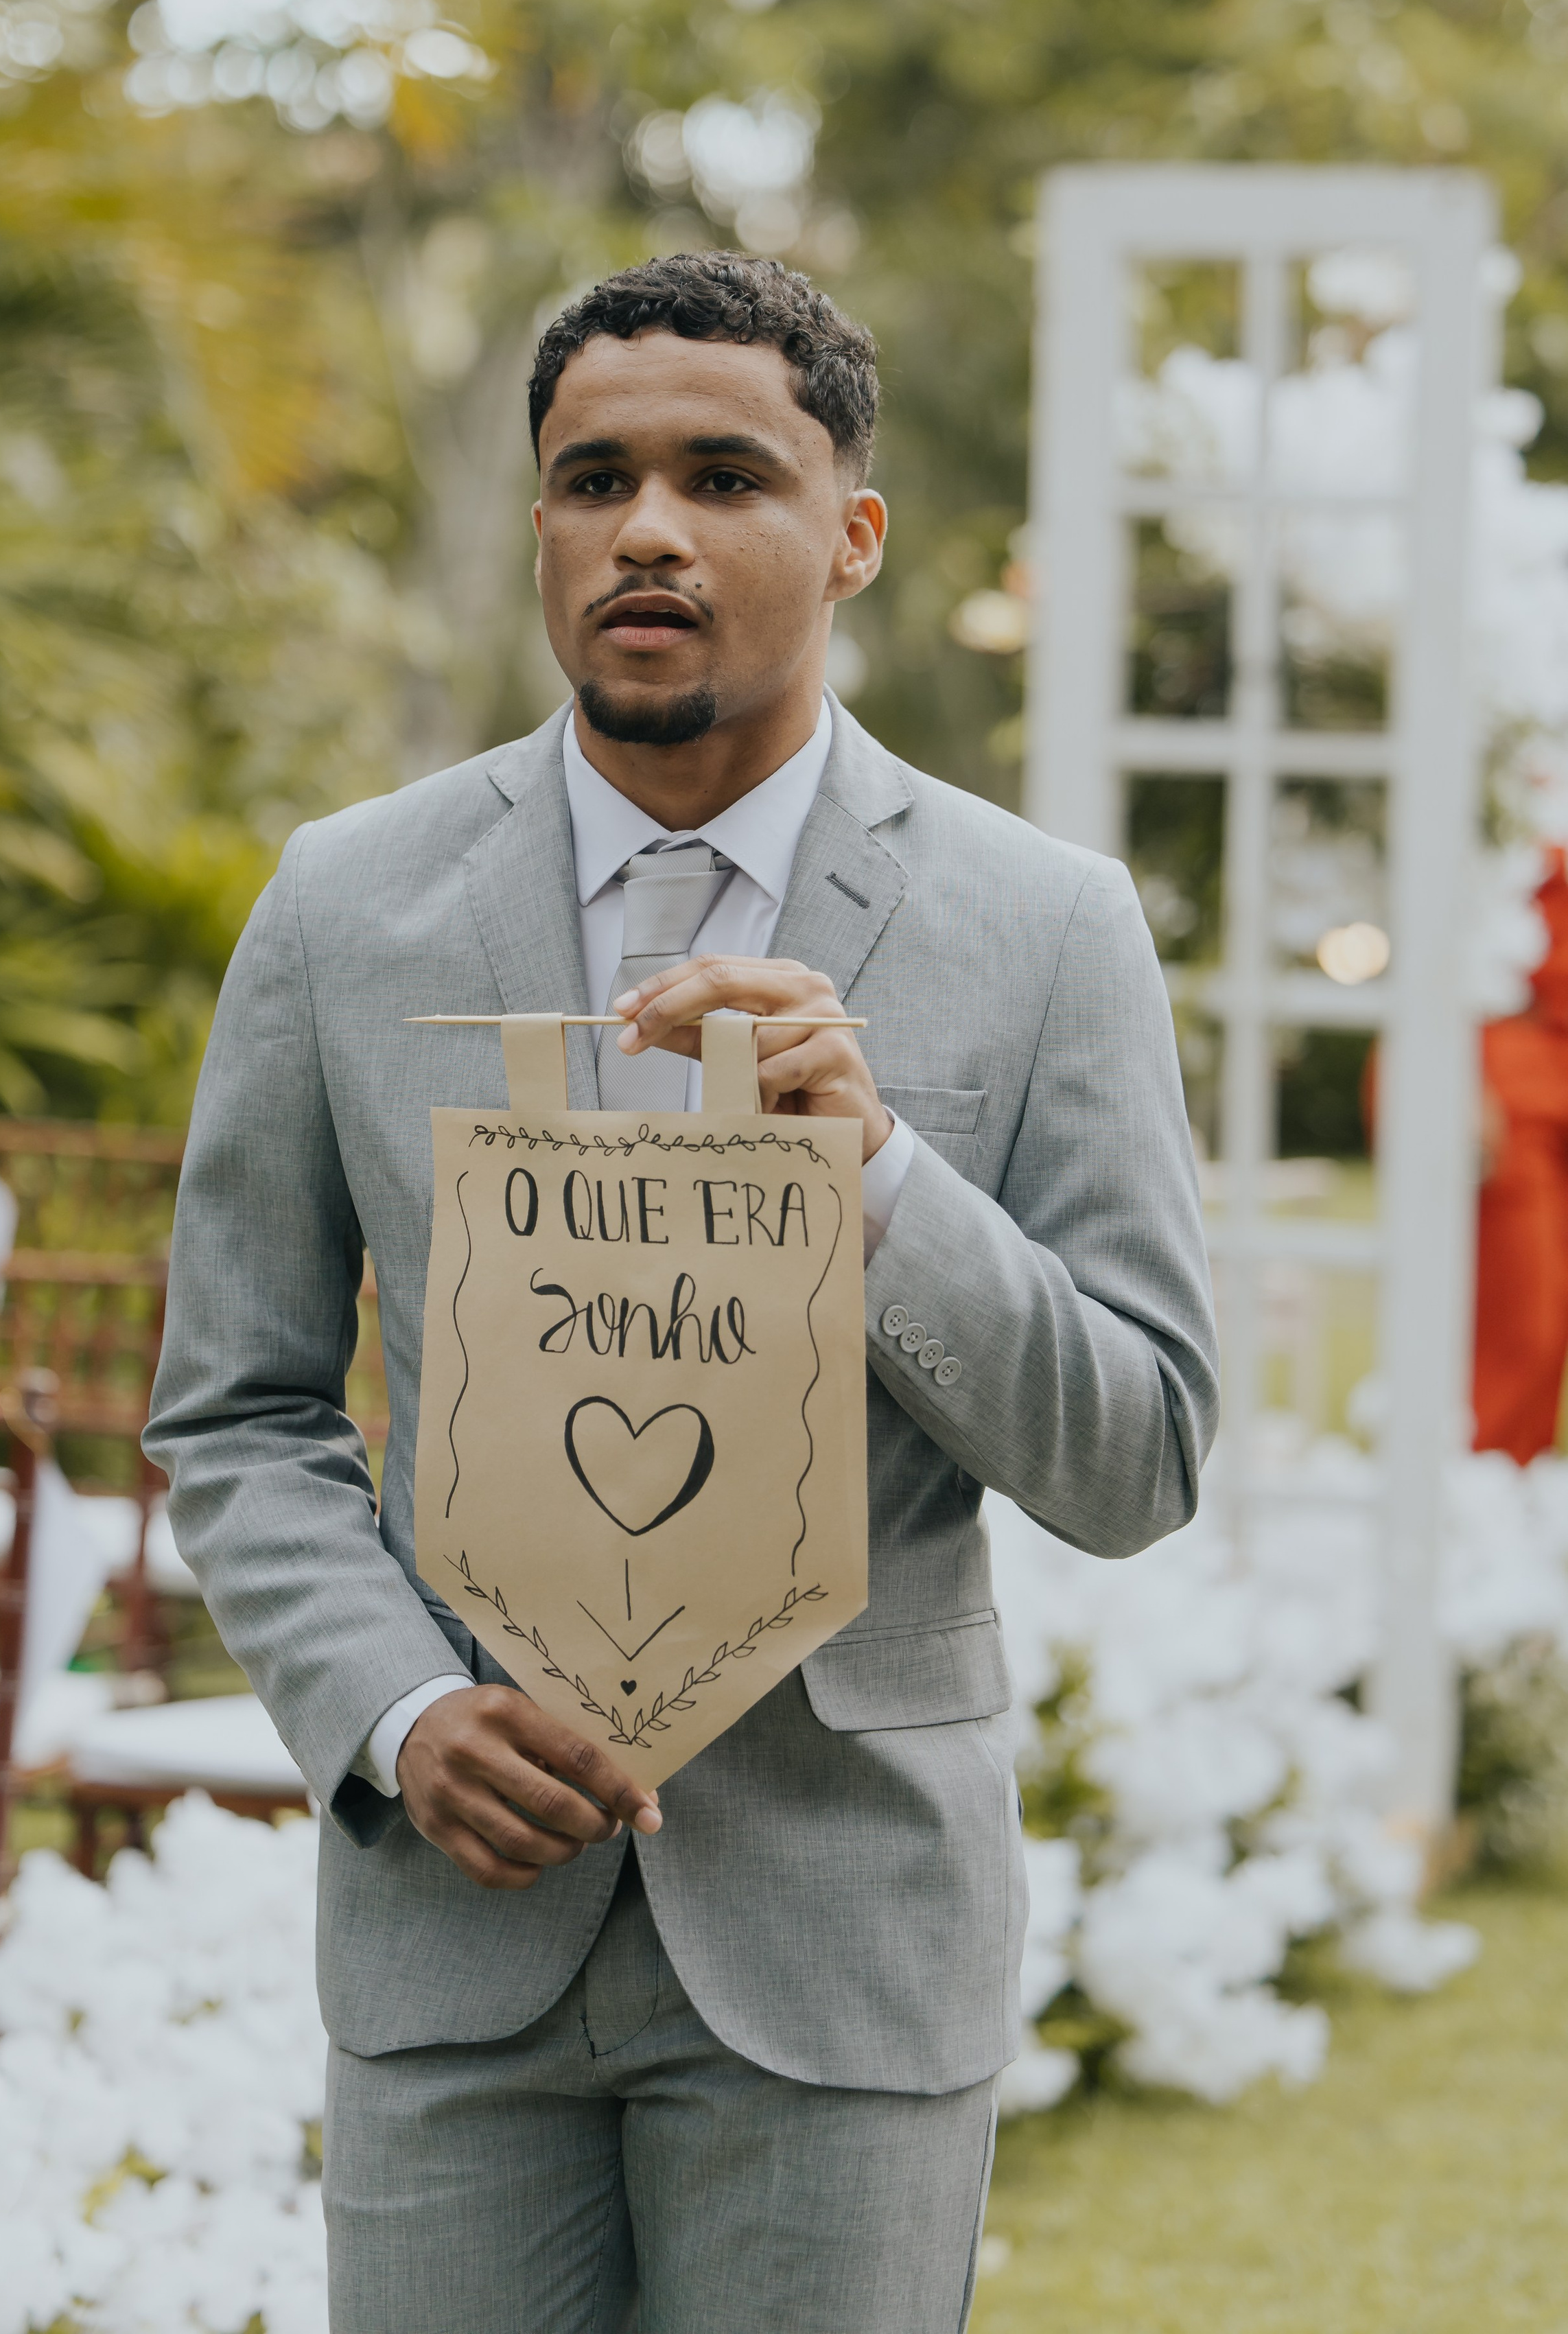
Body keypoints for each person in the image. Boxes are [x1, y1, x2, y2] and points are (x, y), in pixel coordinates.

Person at [145, 252, 1218, 2334]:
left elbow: (1141, 1447)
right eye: (591, 478)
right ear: (540, 525)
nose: (645, 527)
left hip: (841, 1938)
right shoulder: (342, 906)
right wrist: (394, 1708)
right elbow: (240, 1409)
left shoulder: (1045, 927)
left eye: (724, 473)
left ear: (851, 534)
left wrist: (884, 1174)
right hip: (456, 1928)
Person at [1474, 848, 1568, 1462]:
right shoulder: (1520, 842)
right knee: (1526, 1318)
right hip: (1517, 1094)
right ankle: (1486, 1476)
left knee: (1547, 1324)